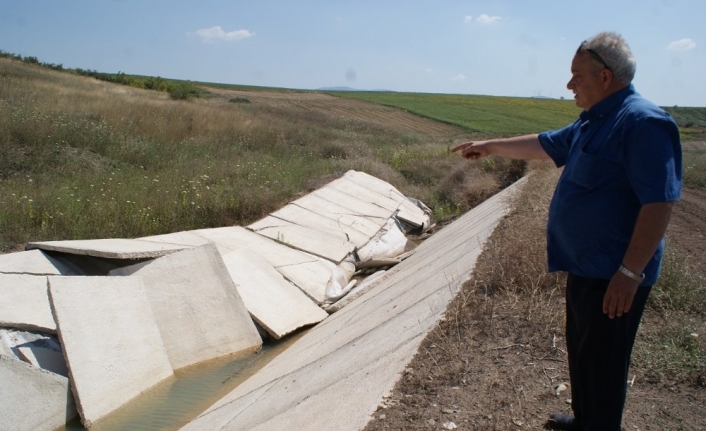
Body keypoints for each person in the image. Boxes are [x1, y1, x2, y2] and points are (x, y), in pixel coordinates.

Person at [452, 31, 682, 431]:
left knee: (605, 363)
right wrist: (490, 145)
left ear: (605, 77)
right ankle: (585, 420)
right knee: (584, 352)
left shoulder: (642, 123)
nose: (569, 84)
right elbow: (544, 144)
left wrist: (629, 274)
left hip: (615, 273)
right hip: (585, 267)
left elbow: (659, 204)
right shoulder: (593, 122)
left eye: (577, 75)